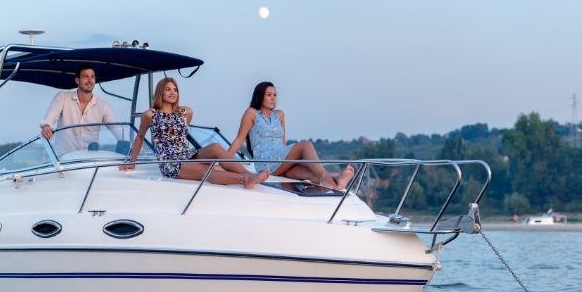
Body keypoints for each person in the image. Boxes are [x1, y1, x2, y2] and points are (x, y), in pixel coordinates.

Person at [121, 77, 269, 188]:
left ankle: (251, 174)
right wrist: (132, 163)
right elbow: (140, 137)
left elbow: (181, 137)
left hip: (186, 154)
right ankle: (245, 180)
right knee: (204, 170)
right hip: (170, 162)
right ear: (160, 92)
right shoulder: (150, 115)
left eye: (175, 89)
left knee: (216, 147)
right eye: (168, 89)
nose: (173, 92)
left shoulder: (186, 112)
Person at [225, 81, 354, 189]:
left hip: (281, 159)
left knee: (307, 173)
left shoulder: (279, 115)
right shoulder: (251, 114)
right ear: (260, 96)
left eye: (275, 95)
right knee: (305, 145)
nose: (273, 98)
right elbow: (239, 139)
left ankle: (338, 180)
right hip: (266, 162)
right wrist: (223, 161)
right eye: (269, 94)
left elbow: (283, 143)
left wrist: (290, 161)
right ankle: (330, 181)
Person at [40, 66, 117, 154]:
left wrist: (130, 149)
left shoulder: (104, 106)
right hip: (63, 159)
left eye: (92, 77)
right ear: (77, 80)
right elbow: (50, 118)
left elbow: (117, 129)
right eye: (85, 76)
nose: (89, 80)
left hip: (89, 160)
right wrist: (47, 127)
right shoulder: (62, 97)